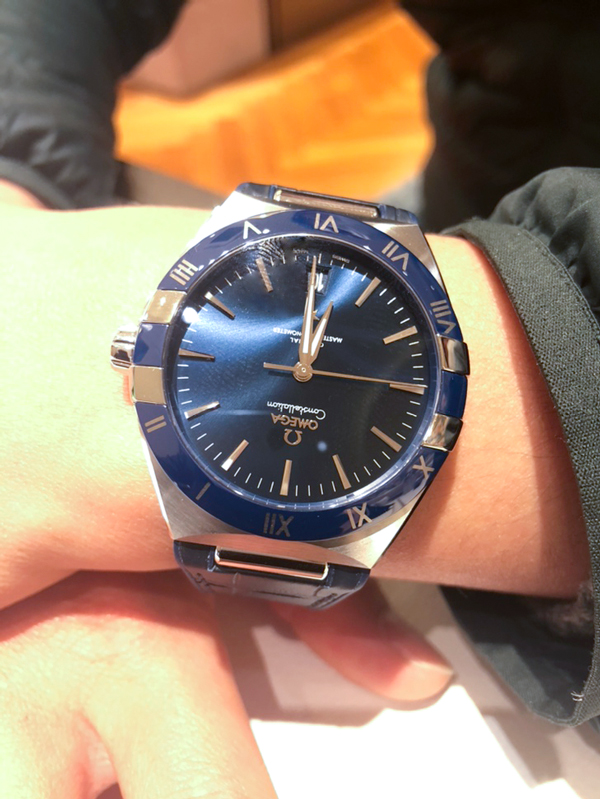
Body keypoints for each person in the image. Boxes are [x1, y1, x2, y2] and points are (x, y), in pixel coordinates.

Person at [0, 0, 598, 794]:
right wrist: (13, 184)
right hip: (471, 206)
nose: (299, 372)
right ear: (133, 353)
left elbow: (452, 390)